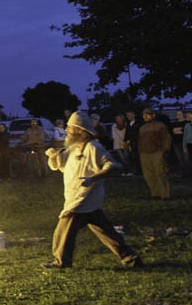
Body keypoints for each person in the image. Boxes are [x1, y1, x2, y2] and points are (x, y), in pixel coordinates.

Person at [42, 111, 142, 269]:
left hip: (84, 198)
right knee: (107, 232)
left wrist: (93, 178)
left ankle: (62, 262)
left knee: (63, 231)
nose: (67, 130)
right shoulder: (73, 148)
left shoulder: (94, 147)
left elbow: (113, 165)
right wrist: (54, 156)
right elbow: (59, 165)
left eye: (70, 127)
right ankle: (132, 258)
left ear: (80, 130)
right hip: (79, 197)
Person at [138, 108, 171, 200]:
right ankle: (155, 193)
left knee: (160, 173)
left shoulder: (160, 126)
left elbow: (166, 138)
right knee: (148, 175)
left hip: (157, 152)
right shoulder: (142, 128)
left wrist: (165, 150)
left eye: (147, 114)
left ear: (153, 115)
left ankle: (165, 194)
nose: (145, 116)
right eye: (144, 115)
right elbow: (140, 141)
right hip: (144, 153)